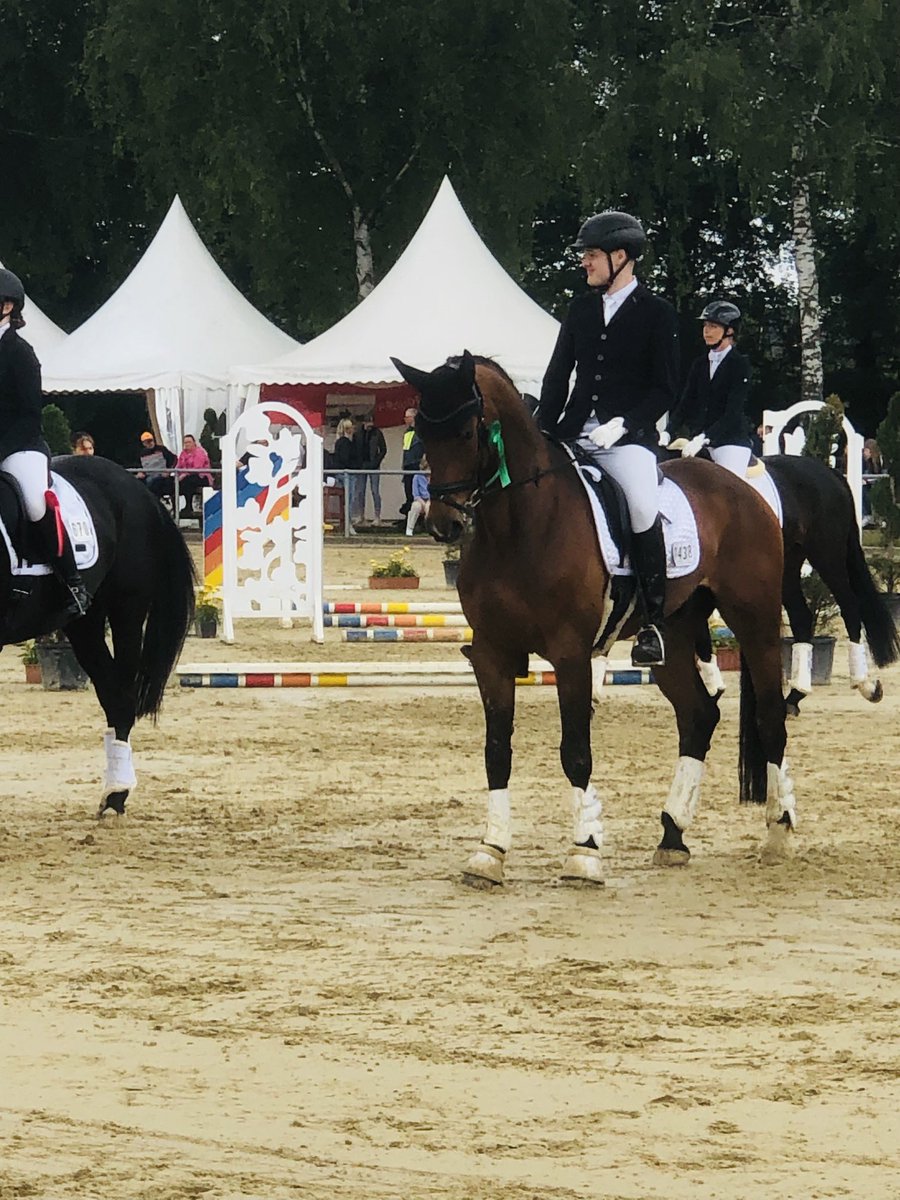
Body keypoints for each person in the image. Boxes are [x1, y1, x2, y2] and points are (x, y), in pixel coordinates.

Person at [537, 211, 678, 667]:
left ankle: (653, 622)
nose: (585, 263)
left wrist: (626, 423)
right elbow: (558, 376)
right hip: (573, 430)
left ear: (620, 258)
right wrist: (542, 426)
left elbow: (665, 388)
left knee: (640, 502)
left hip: (627, 438)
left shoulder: (657, 313)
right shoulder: (580, 309)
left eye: (592, 255)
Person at [0, 268, 87, 616]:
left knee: (35, 502)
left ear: (7, 307)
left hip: (19, 445)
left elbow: (28, 413)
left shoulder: (20, 353)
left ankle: (72, 580)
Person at [671, 300, 752, 477]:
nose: (706, 331)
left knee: (729, 487)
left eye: (713, 326)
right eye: (705, 325)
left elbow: (733, 412)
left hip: (729, 442)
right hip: (698, 441)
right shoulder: (699, 364)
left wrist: (705, 437)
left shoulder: (739, 364)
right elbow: (685, 403)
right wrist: (667, 432)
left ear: (729, 331)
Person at [353, 413, 387, 525]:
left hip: (374, 466)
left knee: (375, 491)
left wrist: (376, 462)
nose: (370, 425)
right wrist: (358, 463)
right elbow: (355, 449)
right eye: (368, 423)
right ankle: (360, 515)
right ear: (364, 423)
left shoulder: (377, 433)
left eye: (372, 423)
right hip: (361, 466)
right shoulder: (358, 433)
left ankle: (377, 516)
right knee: (360, 491)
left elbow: (383, 450)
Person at [174, 434, 213, 517]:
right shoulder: (183, 453)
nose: (187, 444)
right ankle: (175, 510)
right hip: (187, 477)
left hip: (202, 476)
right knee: (172, 482)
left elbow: (197, 467)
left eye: (189, 442)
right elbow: (178, 466)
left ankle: (189, 506)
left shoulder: (199, 452)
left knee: (188, 481)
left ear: (194, 443)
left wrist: (184, 474)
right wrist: (176, 475)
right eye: (185, 442)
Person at [332, 417, 359, 534]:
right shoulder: (345, 443)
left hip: (344, 472)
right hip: (347, 473)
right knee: (349, 499)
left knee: (349, 499)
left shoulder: (340, 442)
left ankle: (347, 524)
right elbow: (345, 459)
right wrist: (354, 465)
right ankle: (348, 525)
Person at [136, 430, 177, 501]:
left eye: (151, 440)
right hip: (149, 475)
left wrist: (168, 471)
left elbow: (174, 459)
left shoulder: (161, 449)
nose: (150, 443)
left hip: (162, 475)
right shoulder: (142, 453)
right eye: (147, 442)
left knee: (152, 482)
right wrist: (140, 473)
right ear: (143, 443)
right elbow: (140, 466)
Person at [399, 406, 424, 518]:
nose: (405, 419)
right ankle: (409, 516)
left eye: (407, 417)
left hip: (417, 465)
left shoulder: (421, 431)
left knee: (418, 492)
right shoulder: (407, 432)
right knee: (408, 491)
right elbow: (406, 450)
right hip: (408, 465)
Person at [405, 458, 430, 536]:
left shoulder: (435, 477)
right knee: (415, 506)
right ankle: (409, 529)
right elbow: (415, 494)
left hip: (432, 499)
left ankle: (431, 529)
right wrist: (423, 503)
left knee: (429, 507)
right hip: (420, 500)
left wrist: (428, 502)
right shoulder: (417, 477)